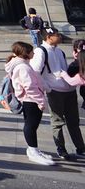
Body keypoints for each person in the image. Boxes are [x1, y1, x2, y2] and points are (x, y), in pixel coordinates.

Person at [30, 27, 85, 159]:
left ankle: (80, 148)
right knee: (57, 121)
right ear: (49, 37)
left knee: (73, 121)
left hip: (69, 90)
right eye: (57, 35)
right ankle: (61, 148)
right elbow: (35, 71)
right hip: (56, 91)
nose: (60, 37)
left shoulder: (59, 51)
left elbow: (64, 70)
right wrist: (48, 87)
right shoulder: (40, 51)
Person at [5, 42, 52, 165]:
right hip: (30, 100)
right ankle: (33, 151)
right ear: (25, 53)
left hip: (30, 99)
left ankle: (34, 150)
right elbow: (29, 87)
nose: (34, 53)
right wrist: (40, 101)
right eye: (31, 51)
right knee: (31, 126)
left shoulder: (24, 64)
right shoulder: (23, 67)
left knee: (31, 125)